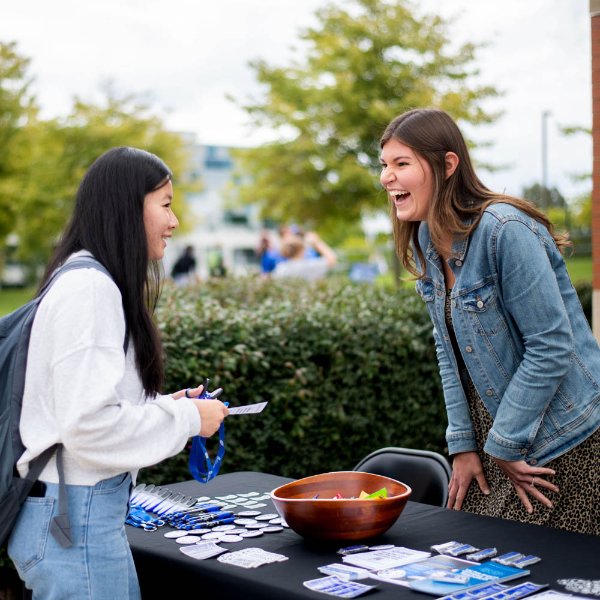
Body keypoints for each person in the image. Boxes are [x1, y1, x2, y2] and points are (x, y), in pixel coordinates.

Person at [8, 147, 229, 598]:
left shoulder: (83, 279)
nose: (174, 221)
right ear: (128, 207)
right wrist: (189, 421)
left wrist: (168, 407)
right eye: (165, 204)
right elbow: (88, 427)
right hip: (75, 523)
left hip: (74, 517)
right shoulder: (90, 289)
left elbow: (81, 409)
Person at [379, 108, 600, 535]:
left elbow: (552, 345)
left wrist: (501, 442)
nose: (387, 177)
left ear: (447, 165)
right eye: (384, 165)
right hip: (496, 443)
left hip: (560, 440)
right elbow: (449, 351)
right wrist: (463, 445)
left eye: (401, 163)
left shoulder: (505, 230)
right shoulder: (428, 238)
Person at [271, 231, 337, 281]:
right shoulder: (309, 265)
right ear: (301, 250)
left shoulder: (280, 268)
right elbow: (332, 259)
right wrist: (316, 242)